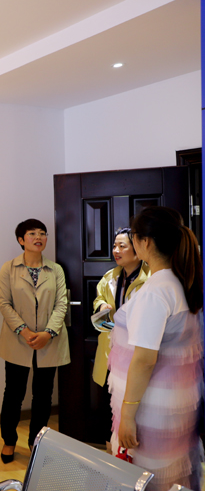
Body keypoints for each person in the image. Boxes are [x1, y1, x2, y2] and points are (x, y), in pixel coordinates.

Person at [108, 206, 203, 491]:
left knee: (147, 478)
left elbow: (144, 360)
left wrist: (127, 415)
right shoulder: (180, 282)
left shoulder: (155, 291)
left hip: (150, 406)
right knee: (171, 475)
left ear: (145, 242)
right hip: (173, 403)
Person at [0, 219, 68, 464]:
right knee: (13, 393)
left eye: (42, 233)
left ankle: (36, 442)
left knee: (43, 395)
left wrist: (48, 333)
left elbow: (61, 304)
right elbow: (4, 303)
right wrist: (24, 331)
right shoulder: (9, 268)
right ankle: (8, 440)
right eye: (32, 233)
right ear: (21, 240)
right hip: (18, 340)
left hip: (49, 341)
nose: (39, 237)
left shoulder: (55, 270)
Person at [92, 228, 150, 388]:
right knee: (110, 395)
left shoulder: (150, 278)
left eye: (122, 246)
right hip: (111, 347)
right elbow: (99, 298)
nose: (116, 251)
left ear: (137, 249)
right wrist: (101, 306)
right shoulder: (109, 277)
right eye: (114, 246)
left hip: (137, 351)